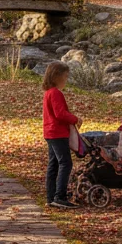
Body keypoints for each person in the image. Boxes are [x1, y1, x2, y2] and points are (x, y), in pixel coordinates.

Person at [42, 62, 79, 209]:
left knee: (54, 164)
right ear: (56, 76)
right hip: (57, 133)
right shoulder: (55, 93)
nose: (66, 79)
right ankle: (60, 196)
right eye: (65, 76)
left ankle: (51, 196)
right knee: (65, 163)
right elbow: (60, 114)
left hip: (50, 132)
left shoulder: (49, 93)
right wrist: (75, 119)